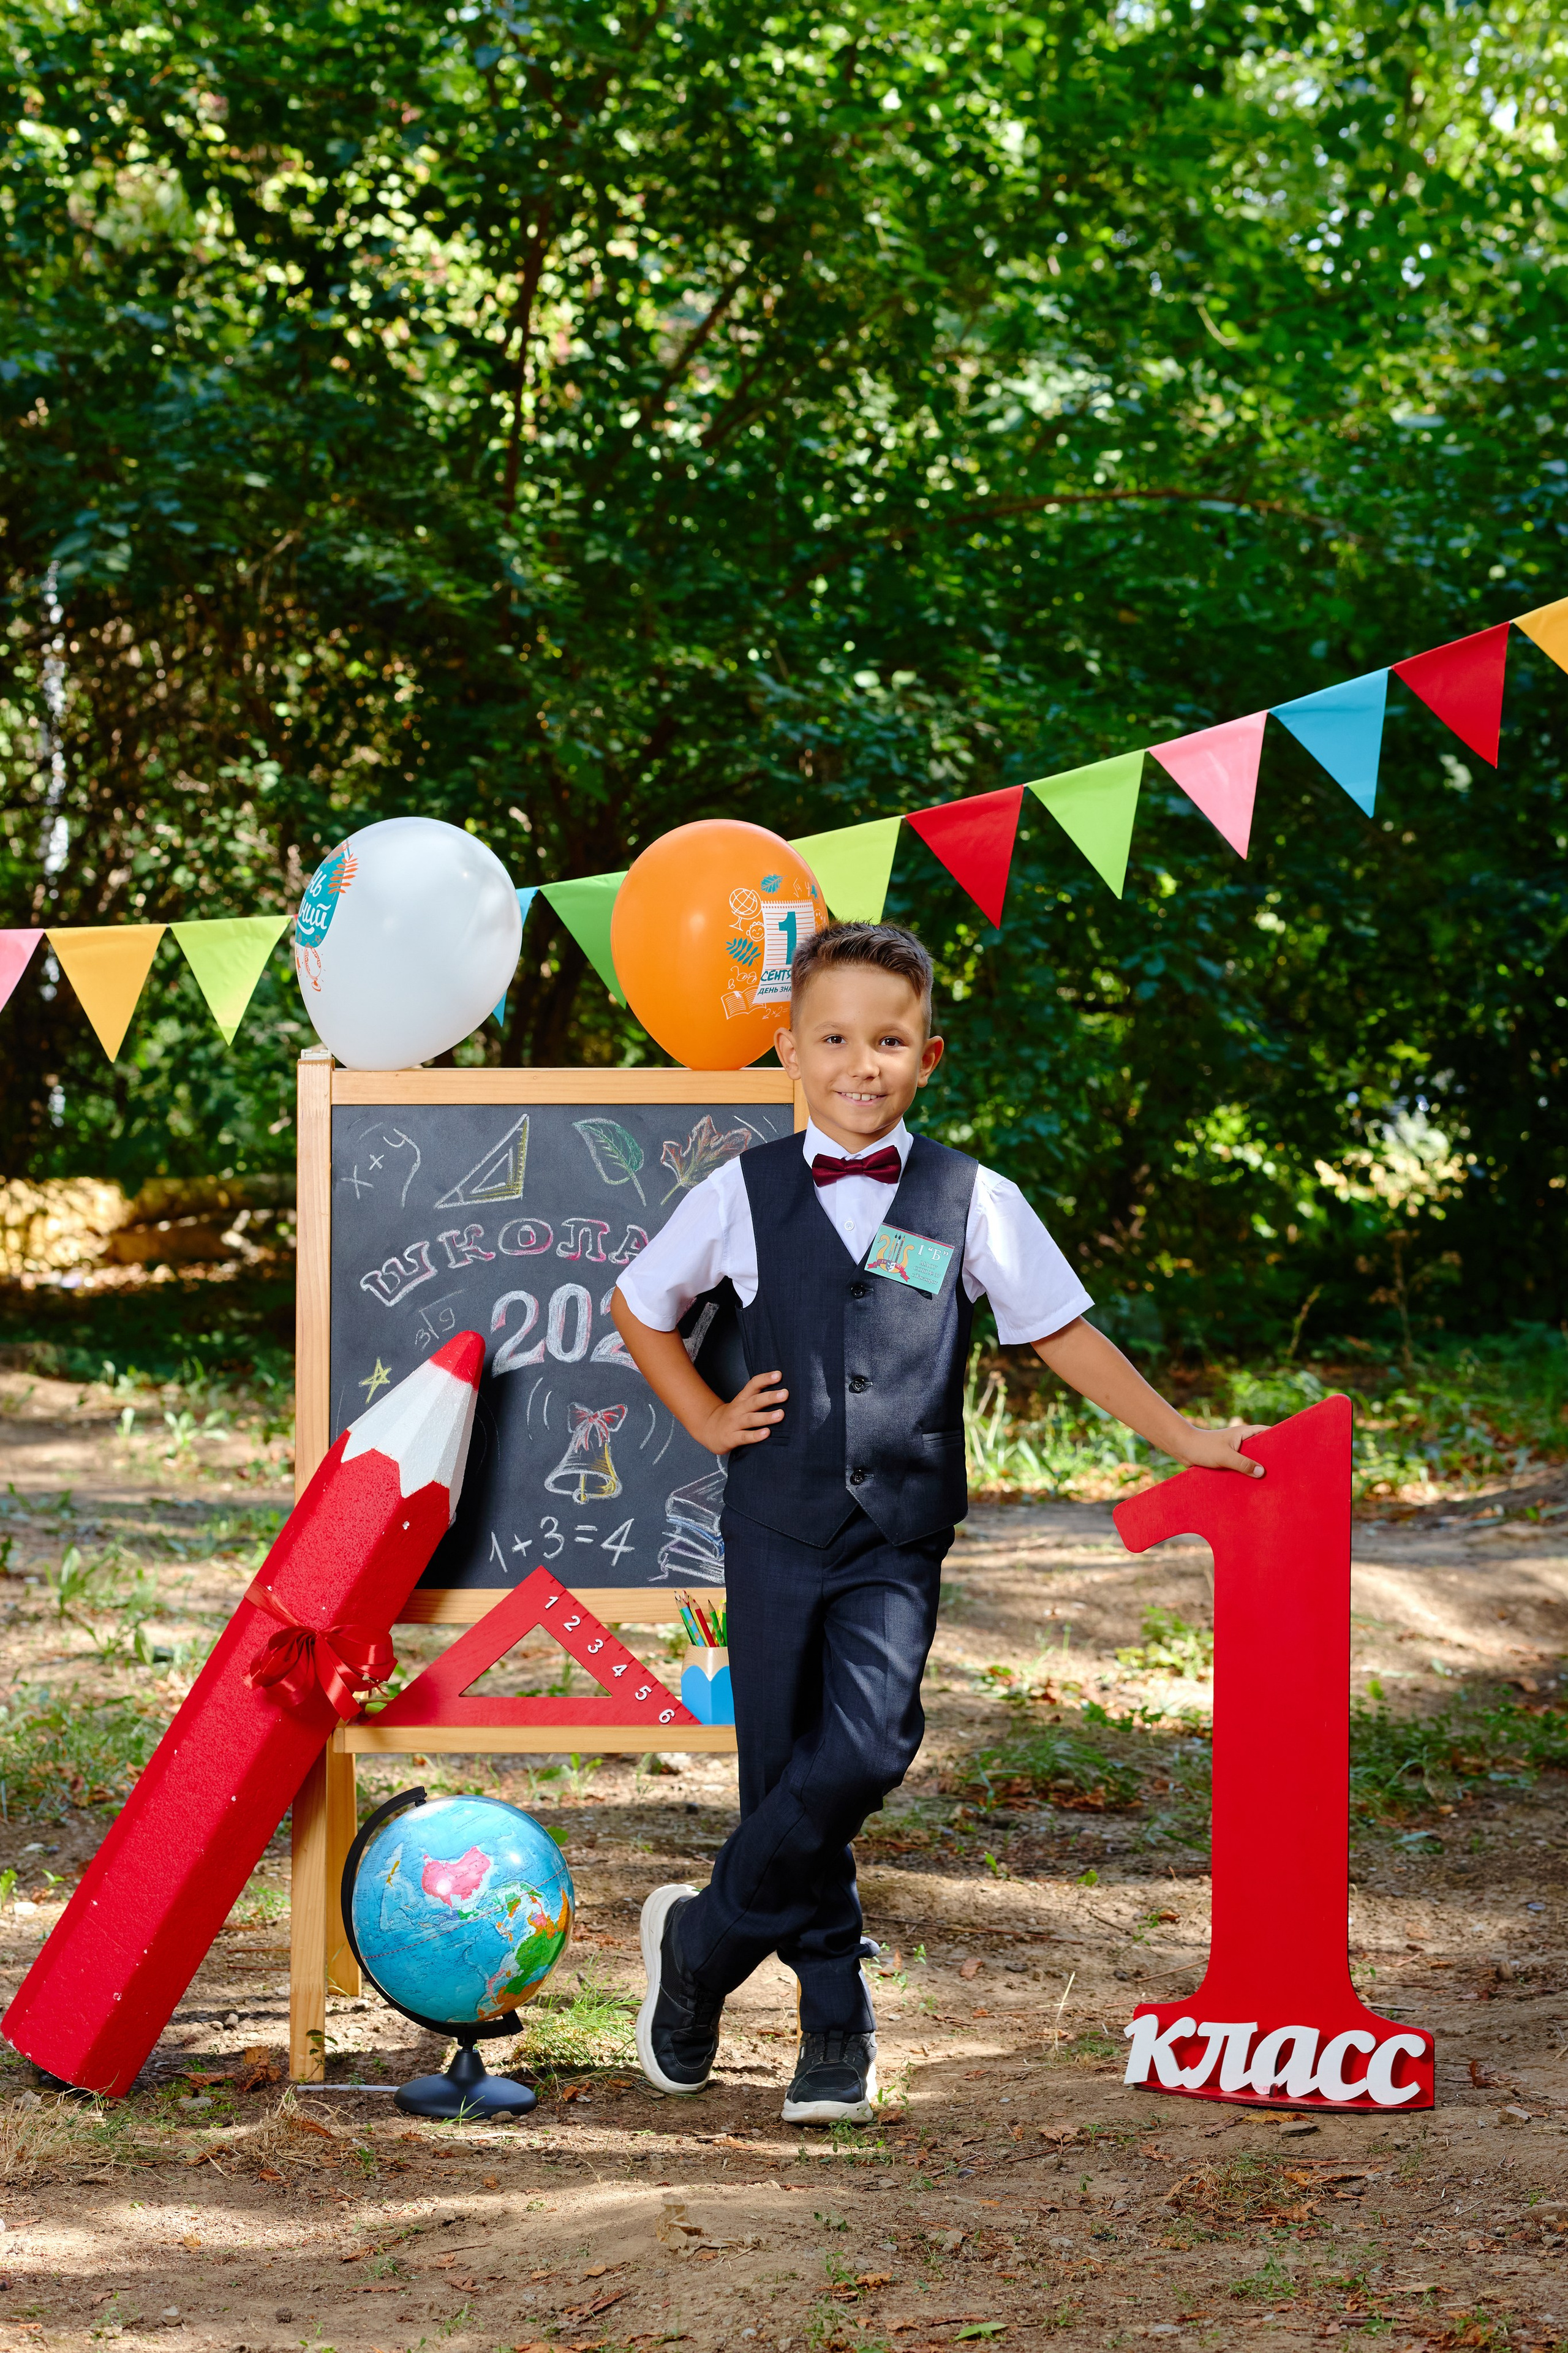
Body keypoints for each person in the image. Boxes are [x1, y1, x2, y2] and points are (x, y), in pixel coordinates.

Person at [610, 919, 1265, 2125]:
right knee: (779, 1774)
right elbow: (640, 1300)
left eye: (890, 1041)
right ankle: (833, 2029)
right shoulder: (741, 1193)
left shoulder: (971, 1195)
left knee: (860, 1751)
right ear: (788, 1051)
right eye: (836, 1039)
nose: (863, 1063)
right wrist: (705, 1414)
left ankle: (699, 1939)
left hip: (896, 1536)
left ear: (930, 1054)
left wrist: (1180, 1437)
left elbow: (1059, 1329)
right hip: (771, 1526)